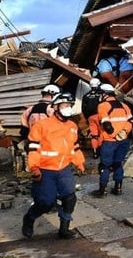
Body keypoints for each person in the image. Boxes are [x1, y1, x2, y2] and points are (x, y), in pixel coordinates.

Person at [21, 92, 86, 240]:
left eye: (70, 105)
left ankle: (64, 229)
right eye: (64, 105)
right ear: (56, 107)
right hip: (45, 169)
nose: (67, 108)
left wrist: (79, 162)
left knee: (69, 198)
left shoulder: (72, 126)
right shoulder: (42, 126)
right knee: (45, 203)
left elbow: (74, 147)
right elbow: (33, 149)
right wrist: (34, 168)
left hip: (64, 169)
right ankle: (29, 218)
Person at [95, 83, 133, 197]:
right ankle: (118, 188)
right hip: (123, 140)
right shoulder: (124, 105)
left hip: (109, 141)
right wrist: (123, 132)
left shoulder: (103, 106)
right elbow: (130, 121)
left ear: (104, 94)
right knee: (117, 164)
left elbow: (107, 125)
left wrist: (113, 134)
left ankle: (103, 190)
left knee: (105, 165)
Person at [82, 77, 103, 158]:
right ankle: (101, 150)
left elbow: (83, 108)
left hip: (90, 117)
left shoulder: (86, 96)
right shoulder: (101, 94)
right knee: (101, 134)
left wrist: (87, 118)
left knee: (94, 135)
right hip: (100, 116)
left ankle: (95, 152)